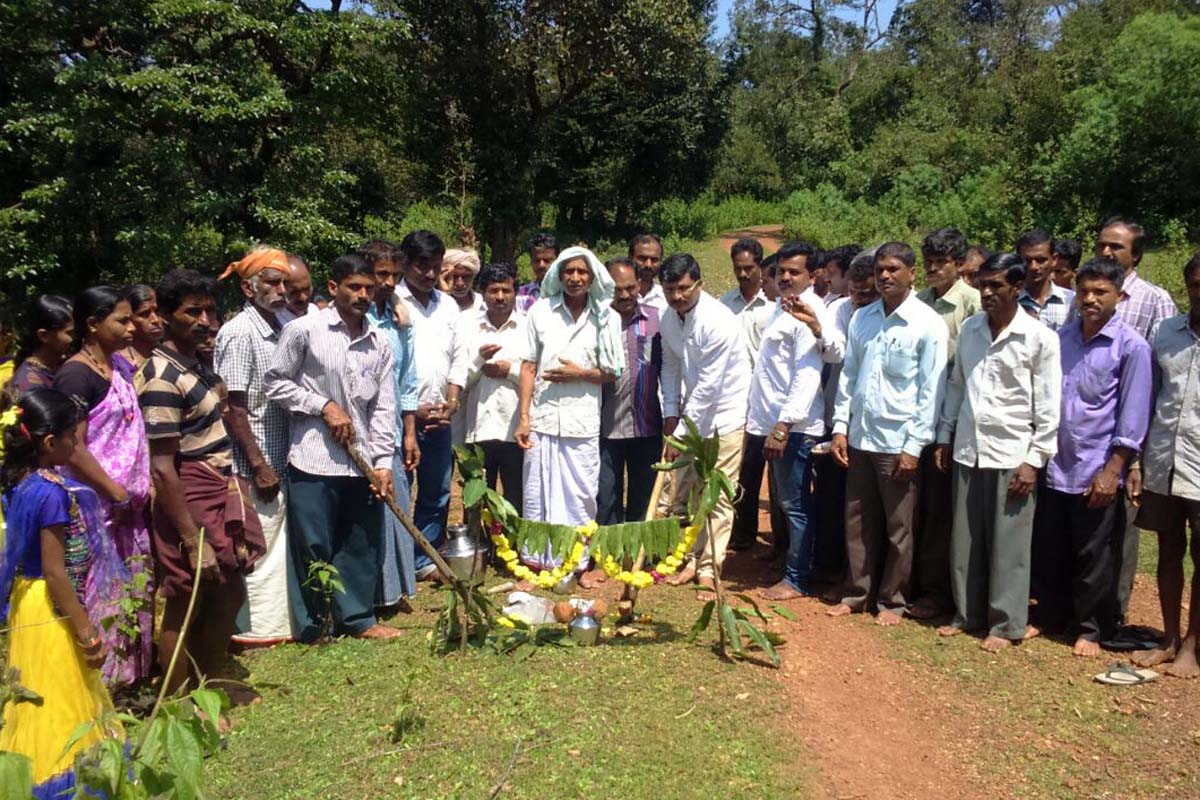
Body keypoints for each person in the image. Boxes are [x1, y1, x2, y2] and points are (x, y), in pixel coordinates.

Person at [139, 269, 267, 702]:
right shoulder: (161, 377)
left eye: (210, 311)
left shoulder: (198, 366)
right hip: (186, 493)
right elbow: (162, 467)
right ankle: (179, 703)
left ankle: (212, 682)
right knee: (187, 599)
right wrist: (193, 540)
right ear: (164, 314)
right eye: (192, 311)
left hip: (217, 486)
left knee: (229, 590)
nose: (205, 321)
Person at [0, 389, 126, 800]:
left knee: (35, 693)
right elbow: (55, 572)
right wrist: (87, 632)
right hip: (51, 606)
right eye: (72, 436)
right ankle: (66, 783)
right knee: (60, 694)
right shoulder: (52, 493)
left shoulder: (18, 481)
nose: (76, 444)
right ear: (50, 442)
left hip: (26, 600)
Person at [265, 255, 398, 641]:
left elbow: (383, 407)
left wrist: (383, 463)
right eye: (354, 287)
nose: (363, 295)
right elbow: (275, 383)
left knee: (359, 542)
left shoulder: (379, 341)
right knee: (313, 543)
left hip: (361, 461)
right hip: (314, 457)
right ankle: (314, 623)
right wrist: (322, 405)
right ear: (334, 287)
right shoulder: (304, 330)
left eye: (368, 288)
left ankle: (357, 618)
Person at [934, 253, 1062, 651]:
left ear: (1017, 288)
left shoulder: (1038, 337)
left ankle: (1006, 624)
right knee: (966, 540)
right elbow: (957, 385)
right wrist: (945, 435)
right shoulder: (971, 329)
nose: (986, 292)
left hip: (1012, 453)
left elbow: (1048, 404)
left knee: (1009, 545)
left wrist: (1034, 460)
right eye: (983, 285)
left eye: (996, 286)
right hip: (969, 447)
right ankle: (967, 614)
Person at [1027, 258, 1152, 657]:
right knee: (1051, 546)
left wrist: (1113, 470)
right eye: (1084, 291)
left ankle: (1091, 628)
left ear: (1120, 296)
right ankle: (1049, 615)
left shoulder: (1131, 347)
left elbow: (1133, 416)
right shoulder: (1061, 338)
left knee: (1095, 553)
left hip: (1097, 468)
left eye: (1101, 292)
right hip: (1056, 463)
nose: (1090, 299)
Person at [828, 242, 948, 625]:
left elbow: (931, 391)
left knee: (899, 528)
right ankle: (856, 594)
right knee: (857, 521)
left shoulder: (927, 324)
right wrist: (841, 427)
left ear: (912, 273)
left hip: (898, 442)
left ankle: (892, 601)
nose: (884, 276)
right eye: (880, 269)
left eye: (893, 269)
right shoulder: (863, 318)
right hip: (860, 437)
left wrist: (914, 447)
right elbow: (848, 377)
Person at [54, 286, 153, 689]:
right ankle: (103, 689)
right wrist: (113, 490)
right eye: (122, 320)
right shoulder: (76, 375)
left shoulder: (118, 366)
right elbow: (73, 448)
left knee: (134, 593)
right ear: (93, 324)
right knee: (103, 600)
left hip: (128, 510)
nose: (132, 328)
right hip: (97, 511)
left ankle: (133, 683)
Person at [516, 246, 623, 584]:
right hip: (543, 416)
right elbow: (528, 365)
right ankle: (535, 563)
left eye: (582, 272)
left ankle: (577, 564)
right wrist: (523, 417)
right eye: (569, 271)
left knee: (580, 495)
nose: (575, 278)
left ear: (592, 277)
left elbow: (613, 372)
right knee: (537, 492)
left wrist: (579, 374)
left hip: (582, 421)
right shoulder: (541, 312)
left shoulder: (606, 317)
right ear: (559, 275)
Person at [749, 241, 844, 601]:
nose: (785, 277)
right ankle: (793, 566)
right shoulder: (781, 306)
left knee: (795, 505)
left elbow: (807, 374)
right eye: (781, 270)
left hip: (794, 428)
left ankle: (797, 578)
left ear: (813, 275)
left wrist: (783, 426)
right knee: (786, 503)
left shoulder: (808, 311)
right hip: (773, 422)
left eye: (794, 271)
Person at [1096, 217, 1179, 622]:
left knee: (1122, 530)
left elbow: (1163, 379)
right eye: (1102, 244)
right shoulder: (1088, 291)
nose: (1107, 252)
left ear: (1137, 254)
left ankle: (1114, 615)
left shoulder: (1155, 300)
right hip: (1090, 430)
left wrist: (1138, 458)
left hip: (1131, 436)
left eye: (1117, 247)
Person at [657, 253, 751, 600]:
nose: (677, 296)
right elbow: (670, 367)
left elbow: (710, 386)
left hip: (725, 417)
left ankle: (710, 569)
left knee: (718, 495)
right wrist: (670, 414)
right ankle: (692, 560)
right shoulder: (668, 318)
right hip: (690, 418)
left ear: (700, 284)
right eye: (670, 290)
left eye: (684, 288)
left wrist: (680, 435)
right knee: (694, 491)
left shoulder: (718, 320)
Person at [214, 248, 297, 645]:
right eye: (273, 283)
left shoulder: (284, 324)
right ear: (249, 289)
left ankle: (278, 625)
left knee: (279, 543)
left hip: (284, 454)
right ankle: (252, 629)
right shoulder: (238, 333)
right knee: (257, 544)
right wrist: (258, 464)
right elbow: (233, 407)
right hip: (254, 461)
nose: (282, 290)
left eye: (284, 283)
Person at [1131, 253, 1200, 677]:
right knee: (1169, 550)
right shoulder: (1166, 332)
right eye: (1195, 285)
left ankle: (1193, 644)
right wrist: (1138, 462)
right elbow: (1150, 397)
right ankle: (1169, 637)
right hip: (1163, 461)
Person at [911, 228, 981, 620]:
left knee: (943, 512)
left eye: (941, 262)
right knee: (916, 506)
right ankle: (913, 583)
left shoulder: (972, 304)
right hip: (916, 417)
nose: (934, 269)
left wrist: (948, 431)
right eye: (929, 262)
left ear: (958, 264)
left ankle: (938, 593)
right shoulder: (919, 301)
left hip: (953, 420)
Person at [395, 230, 462, 579]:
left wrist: (451, 401)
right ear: (405, 263)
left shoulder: (448, 305)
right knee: (399, 489)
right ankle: (397, 562)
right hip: (399, 416)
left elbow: (459, 357)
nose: (430, 273)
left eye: (436, 266)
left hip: (439, 415)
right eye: (422, 265)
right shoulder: (392, 302)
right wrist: (408, 409)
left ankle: (425, 559)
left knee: (437, 490)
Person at [361, 238, 421, 610]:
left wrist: (410, 432)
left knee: (396, 508)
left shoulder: (400, 319)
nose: (387, 282)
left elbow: (407, 380)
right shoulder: (354, 318)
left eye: (393, 276)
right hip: (357, 432)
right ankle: (366, 594)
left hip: (392, 432)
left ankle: (392, 590)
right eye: (380, 274)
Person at [812, 250, 879, 580]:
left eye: (866, 294)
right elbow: (835, 354)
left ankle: (856, 574)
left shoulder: (885, 316)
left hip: (871, 424)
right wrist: (818, 328)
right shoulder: (839, 309)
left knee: (862, 505)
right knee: (831, 495)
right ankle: (827, 566)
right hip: (835, 416)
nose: (858, 300)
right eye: (854, 292)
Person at [451, 263, 527, 513]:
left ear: (515, 292)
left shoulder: (527, 327)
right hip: (478, 430)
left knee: (516, 499)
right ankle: (478, 540)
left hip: (515, 431)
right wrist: (479, 361)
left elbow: (537, 378)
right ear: (482, 293)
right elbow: (458, 380)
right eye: (494, 291)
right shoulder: (467, 326)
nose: (500, 297)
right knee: (476, 502)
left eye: (506, 290)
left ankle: (512, 541)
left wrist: (510, 371)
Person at [597, 257, 663, 525]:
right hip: (605, 427)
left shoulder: (656, 319)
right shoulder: (596, 322)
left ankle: (637, 548)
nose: (624, 295)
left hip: (646, 425)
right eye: (616, 289)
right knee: (605, 499)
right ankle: (608, 548)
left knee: (643, 502)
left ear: (640, 285)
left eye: (630, 288)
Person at [10, 295, 73, 394]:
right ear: (43, 335)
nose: (78, 338)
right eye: (71, 333)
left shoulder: (65, 366)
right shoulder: (28, 385)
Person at [1017, 229, 1075, 331]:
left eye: (1041, 260)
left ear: (1054, 259)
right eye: (1027, 261)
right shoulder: (1009, 302)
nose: (1033, 267)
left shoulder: (1072, 302)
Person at [719, 238, 770, 316]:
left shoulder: (774, 303)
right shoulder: (724, 304)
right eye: (738, 268)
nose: (742, 274)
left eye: (748, 268)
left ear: (760, 266)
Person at [119, 284, 163, 371]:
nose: (155, 320)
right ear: (128, 319)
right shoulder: (116, 363)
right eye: (144, 314)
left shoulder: (172, 357)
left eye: (157, 312)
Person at [516, 232, 558, 313]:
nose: (541, 265)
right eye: (537, 260)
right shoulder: (521, 294)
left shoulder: (568, 293)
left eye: (547, 260)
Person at [630, 233, 668, 313]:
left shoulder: (666, 298)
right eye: (642, 258)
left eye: (654, 260)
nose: (648, 265)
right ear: (630, 258)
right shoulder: (616, 296)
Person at [443, 247, 485, 315]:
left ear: (474, 276)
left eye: (466, 277)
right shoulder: (434, 306)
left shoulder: (484, 305)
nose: (460, 283)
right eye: (454, 276)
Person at [278, 253, 317, 324]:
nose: (303, 297)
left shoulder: (315, 312)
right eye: (294, 292)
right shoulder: (275, 323)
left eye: (307, 288)